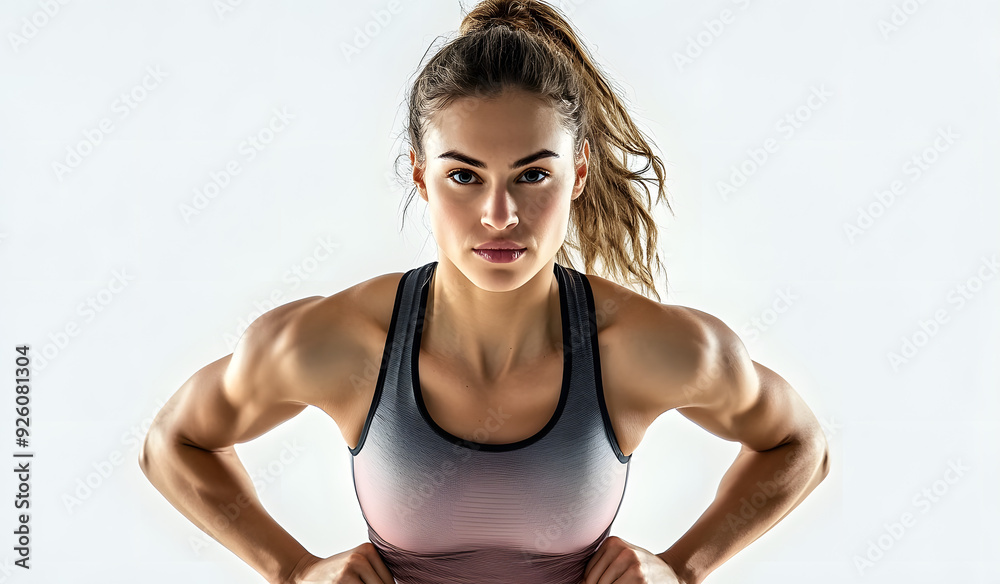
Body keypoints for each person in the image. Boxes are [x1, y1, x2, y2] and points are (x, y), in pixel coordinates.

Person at [139, 1, 831, 583]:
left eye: (532, 176)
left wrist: (683, 568)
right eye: (464, 176)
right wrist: (294, 570)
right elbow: (174, 443)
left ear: (580, 170)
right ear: (419, 175)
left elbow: (800, 445)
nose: (499, 216)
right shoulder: (341, 343)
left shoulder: (646, 349)